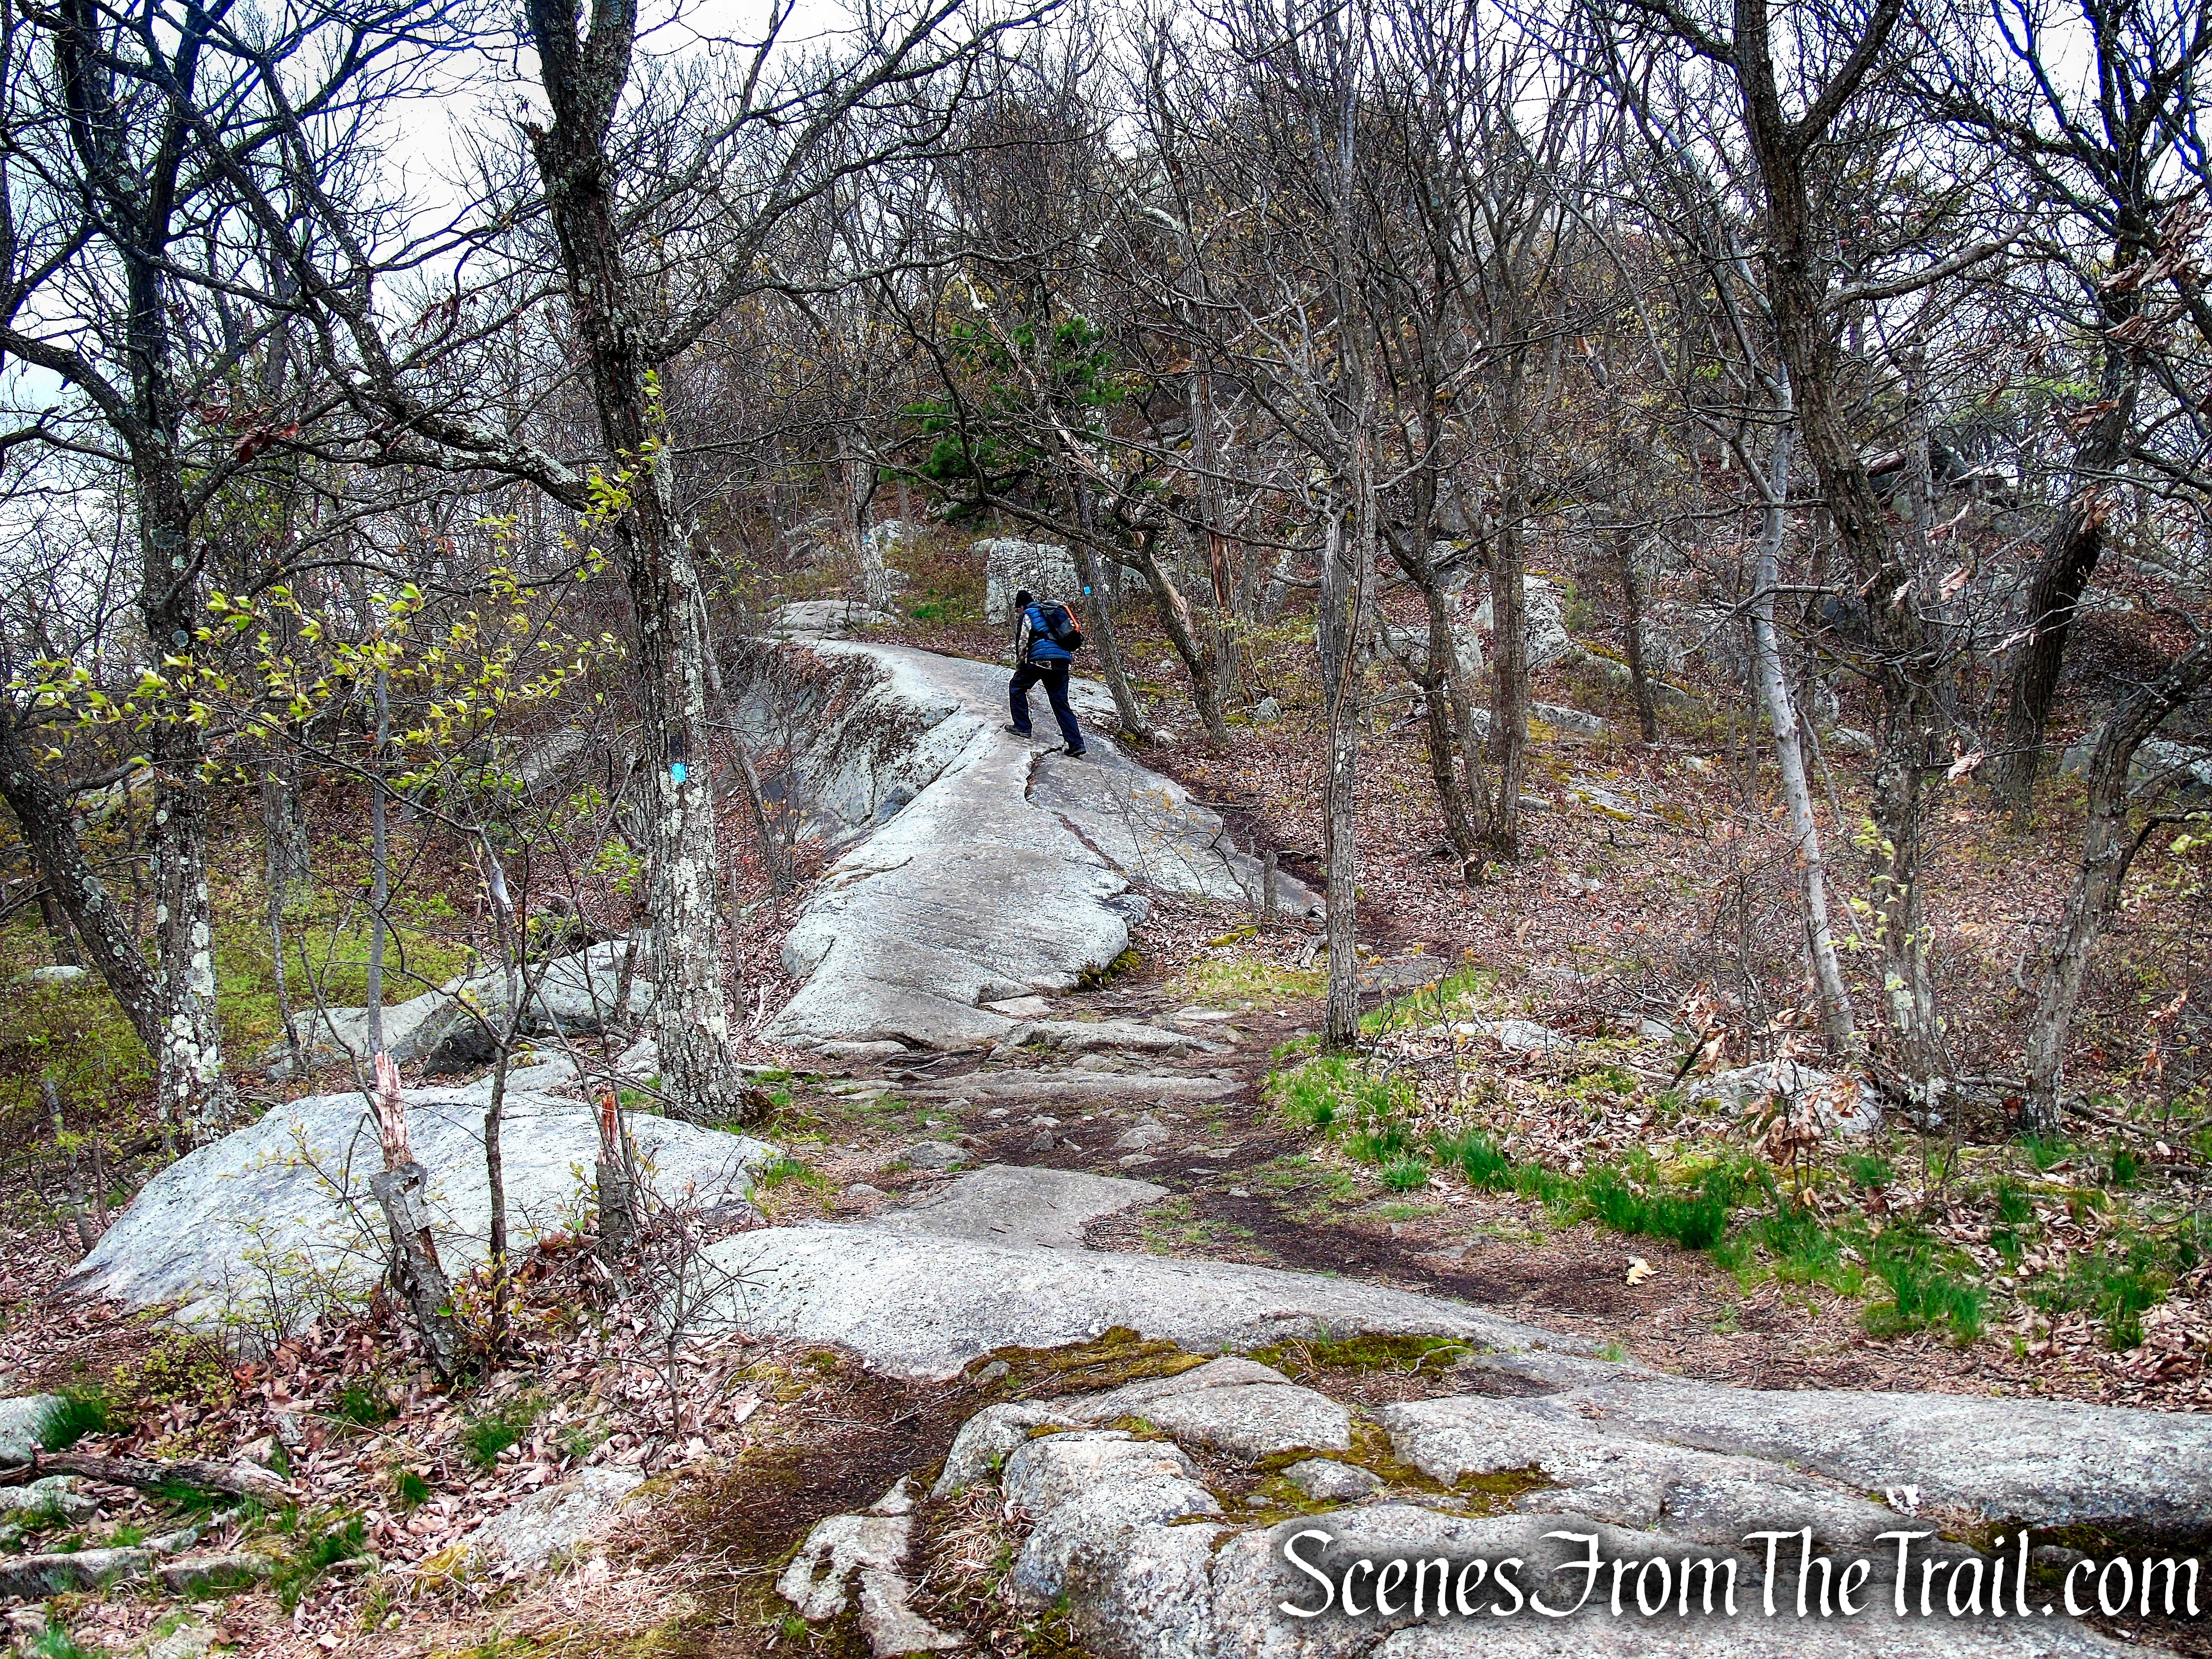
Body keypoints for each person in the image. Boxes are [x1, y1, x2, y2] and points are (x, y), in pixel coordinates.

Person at [1007, 587, 1086, 757]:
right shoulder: (1049, 611)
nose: (1018, 612)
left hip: (1041, 661)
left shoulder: (1028, 614)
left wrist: (1020, 667)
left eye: (1017, 609)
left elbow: (1022, 643)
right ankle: (1076, 744)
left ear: (1021, 606)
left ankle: (1022, 727)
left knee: (1016, 687)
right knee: (1060, 702)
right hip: (1062, 661)